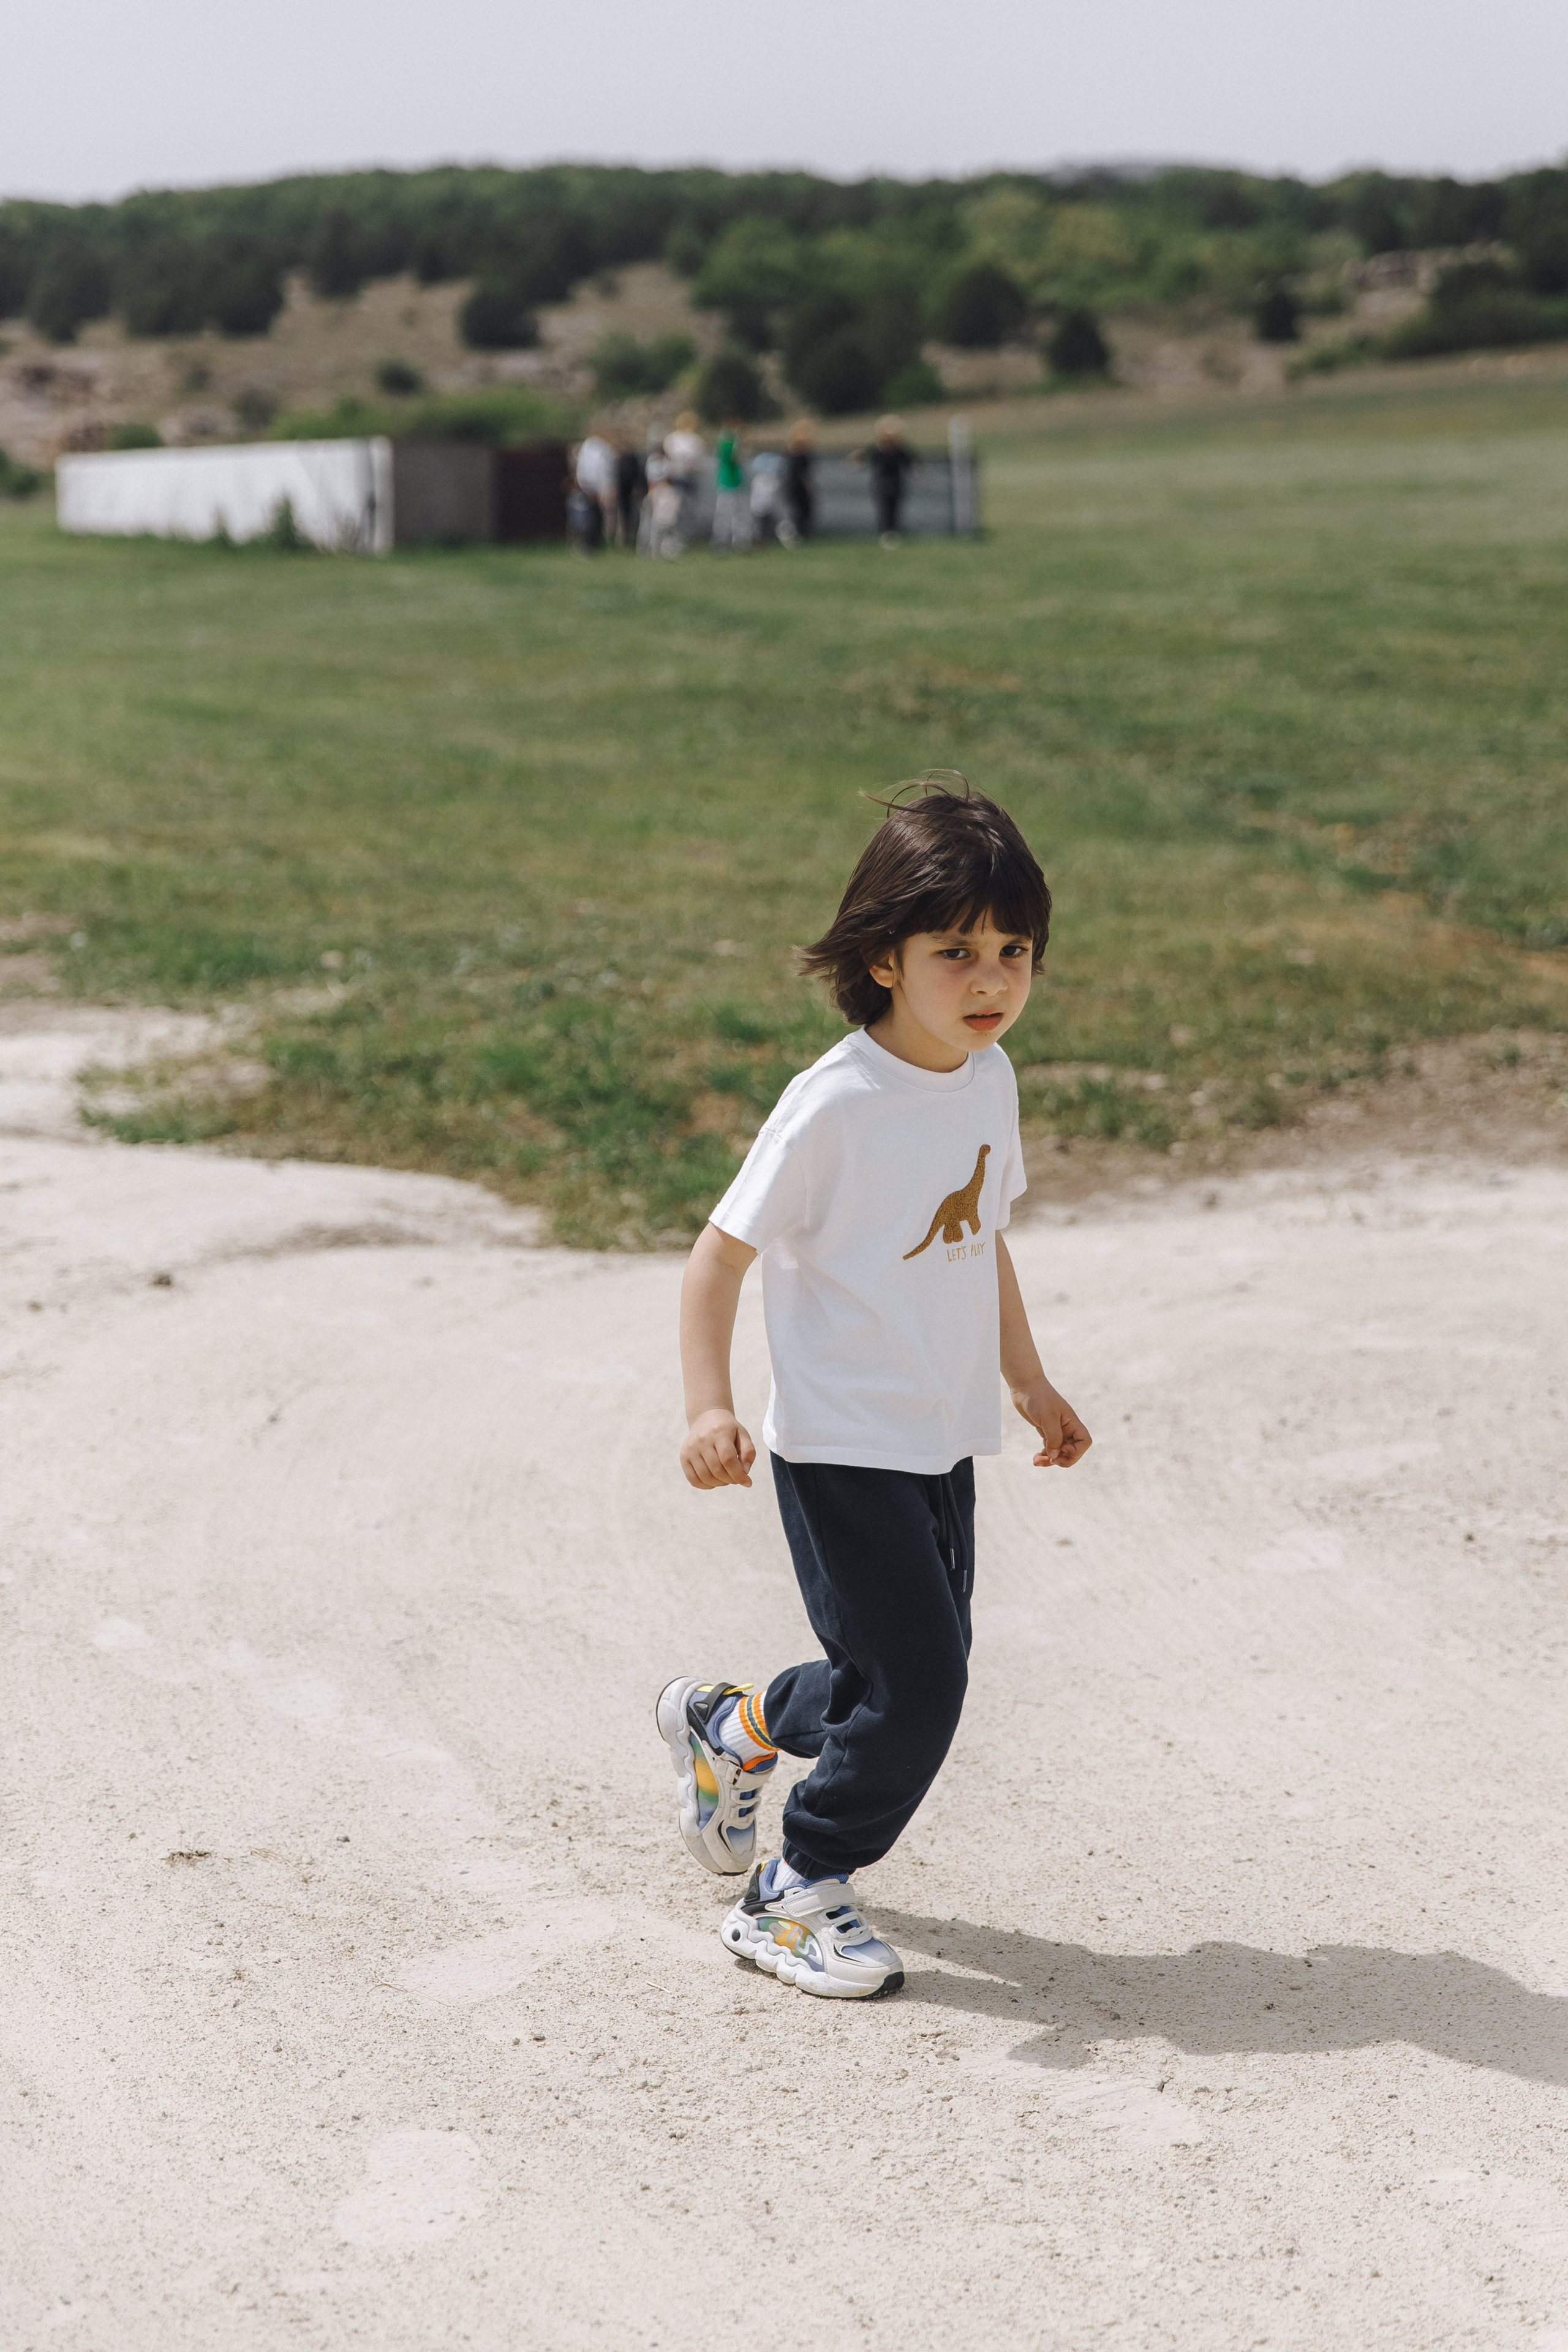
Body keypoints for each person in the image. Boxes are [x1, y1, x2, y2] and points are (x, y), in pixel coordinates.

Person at [658, 778, 1092, 1999]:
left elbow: (980, 1239)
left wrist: (1027, 1378)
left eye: (1012, 951)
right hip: (842, 1445)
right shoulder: (834, 1106)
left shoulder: (985, 1078)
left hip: (939, 1436)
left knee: (887, 1678)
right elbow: (716, 1259)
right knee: (922, 1687)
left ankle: (734, 1726)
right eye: (955, 951)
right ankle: (794, 1889)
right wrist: (707, 1408)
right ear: (883, 957)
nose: (989, 979)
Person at [854, 414, 918, 546]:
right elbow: (862, 459)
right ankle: (885, 533)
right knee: (884, 510)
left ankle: (894, 532)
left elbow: (912, 462)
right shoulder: (877, 449)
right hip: (881, 484)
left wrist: (919, 472)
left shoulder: (900, 451)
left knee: (895, 510)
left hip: (896, 484)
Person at [663, 409, 706, 546]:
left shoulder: (695, 440)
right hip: (677, 478)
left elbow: (698, 461)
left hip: (689, 477)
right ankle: (674, 537)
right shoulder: (673, 439)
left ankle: (684, 536)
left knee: (688, 509)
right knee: (676, 508)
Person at [710, 418, 751, 552]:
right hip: (727, 482)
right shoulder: (728, 443)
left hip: (736, 481)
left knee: (740, 514)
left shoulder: (729, 442)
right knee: (725, 514)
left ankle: (740, 540)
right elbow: (734, 458)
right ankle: (721, 541)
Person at [747, 447, 787, 545]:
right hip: (764, 505)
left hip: (765, 504)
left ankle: (762, 538)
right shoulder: (766, 477)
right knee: (761, 520)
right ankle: (758, 538)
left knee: (768, 520)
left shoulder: (763, 477)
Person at [783, 420, 815, 543]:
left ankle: (800, 533)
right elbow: (803, 474)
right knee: (799, 512)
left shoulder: (798, 455)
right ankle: (795, 534)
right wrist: (809, 486)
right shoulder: (797, 456)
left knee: (802, 511)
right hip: (796, 487)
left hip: (793, 487)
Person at [614, 435, 646, 549]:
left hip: (631, 491)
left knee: (633, 515)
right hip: (624, 492)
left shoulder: (630, 459)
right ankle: (626, 538)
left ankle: (632, 537)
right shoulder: (622, 459)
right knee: (625, 515)